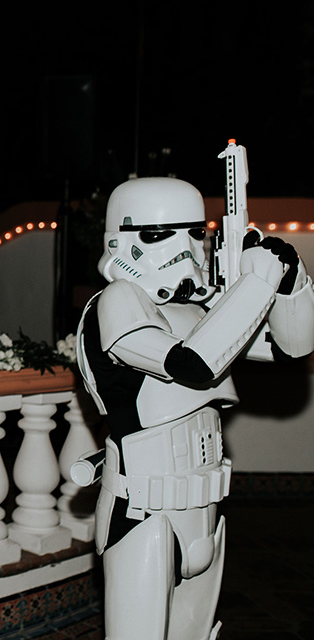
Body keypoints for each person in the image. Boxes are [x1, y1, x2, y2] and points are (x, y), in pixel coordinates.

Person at [74, 175, 314, 639]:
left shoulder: (203, 312)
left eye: (195, 233)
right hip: (144, 511)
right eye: (161, 234)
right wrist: (257, 281)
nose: (185, 247)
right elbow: (193, 364)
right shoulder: (117, 303)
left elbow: (292, 349)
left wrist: (292, 281)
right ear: (122, 240)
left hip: (204, 509)